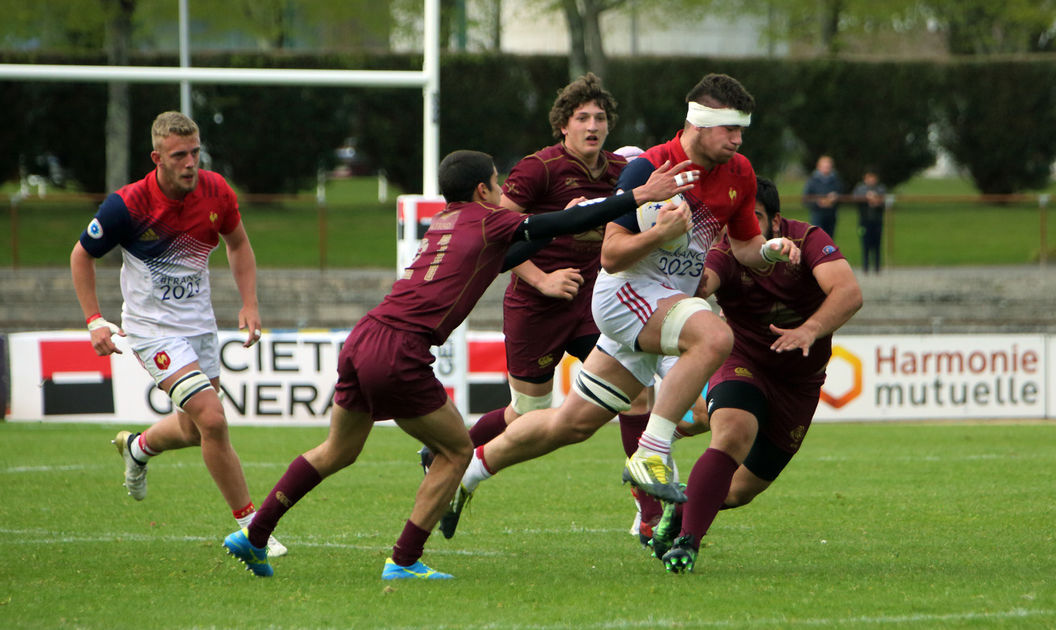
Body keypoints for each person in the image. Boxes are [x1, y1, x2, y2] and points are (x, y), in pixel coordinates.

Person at [221, 149, 698, 579]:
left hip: (364, 338)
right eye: (497, 181)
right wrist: (637, 196)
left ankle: (254, 535)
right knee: (456, 452)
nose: (501, 189)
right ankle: (404, 560)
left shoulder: (447, 221)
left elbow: (511, 252)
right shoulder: (487, 218)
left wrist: (576, 216)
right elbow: (552, 228)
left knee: (336, 451)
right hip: (401, 350)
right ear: (482, 190)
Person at [444, 73, 801, 538]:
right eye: (730, 129)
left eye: (741, 130)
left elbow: (746, 246)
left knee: (568, 424)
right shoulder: (649, 170)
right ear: (699, 123)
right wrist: (659, 234)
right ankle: (651, 451)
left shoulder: (740, 173)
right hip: (625, 296)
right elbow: (611, 256)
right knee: (714, 335)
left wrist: (771, 250)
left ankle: (469, 471)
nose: (738, 139)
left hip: (665, 306)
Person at [70, 110, 286, 557]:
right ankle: (252, 527)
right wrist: (94, 320)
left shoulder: (216, 190)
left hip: (200, 325)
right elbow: (81, 256)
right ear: (157, 158)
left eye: (195, 152)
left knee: (193, 430)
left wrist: (250, 303)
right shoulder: (127, 205)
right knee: (213, 419)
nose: (191, 163)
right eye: (180, 155)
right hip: (152, 330)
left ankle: (138, 447)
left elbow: (239, 243)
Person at [654, 177, 863, 573]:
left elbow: (849, 292)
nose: (745, 231)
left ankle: (682, 505)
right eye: (737, 223)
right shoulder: (724, 252)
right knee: (733, 432)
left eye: (756, 219)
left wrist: (809, 329)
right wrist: (680, 272)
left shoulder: (808, 240)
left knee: (737, 492)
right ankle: (688, 543)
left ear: (777, 222)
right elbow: (703, 285)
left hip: (799, 384)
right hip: (742, 359)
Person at [853, 167, 887, 273]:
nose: (871, 180)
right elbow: (854, 199)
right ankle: (865, 267)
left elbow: (885, 202)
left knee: (877, 244)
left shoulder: (881, 189)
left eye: (873, 178)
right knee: (865, 243)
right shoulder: (860, 189)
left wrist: (877, 202)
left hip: (877, 221)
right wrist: (866, 198)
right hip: (864, 221)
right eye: (869, 178)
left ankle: (877, 267)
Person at [803, 155, 843, 238]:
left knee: (829, 240)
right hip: (817, 215)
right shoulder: (812, 181)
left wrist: (835, 198)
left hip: (831, 215)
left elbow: (842, 195)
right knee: (817, 238)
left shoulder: (836, 180)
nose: (826, 169)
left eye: (828, 167)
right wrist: (818, 202)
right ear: (818, 167)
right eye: (824, 167)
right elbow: (805, 199)